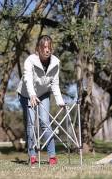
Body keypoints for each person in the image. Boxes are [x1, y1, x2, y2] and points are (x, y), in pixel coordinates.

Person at [16, 35, 65, 166]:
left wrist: (60, 100)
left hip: (43, 94)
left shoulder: (55, 63)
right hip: (26, 94)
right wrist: (32, 95)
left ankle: (52, 156)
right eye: (44, 47)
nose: (47, 50)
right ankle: (32, 155)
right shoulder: (30, 60)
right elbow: (27, 79)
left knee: (45, 122)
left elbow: (55, 83)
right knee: (31, 125)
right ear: (38, 49)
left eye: (49, 47)